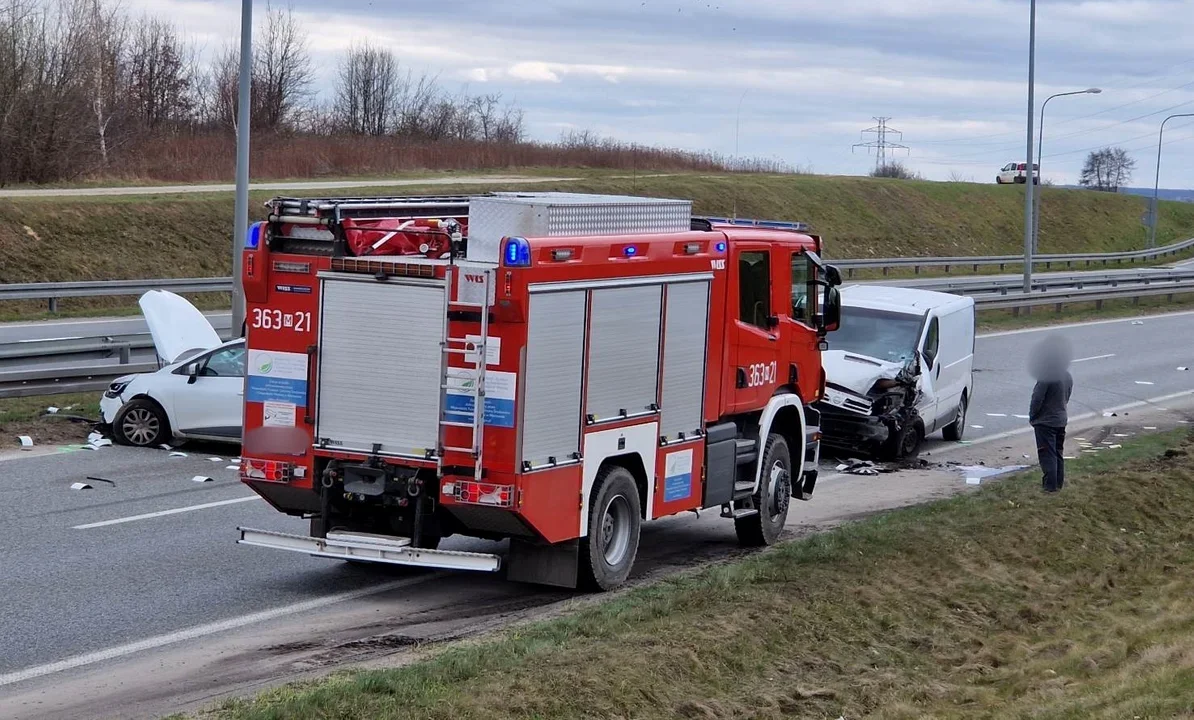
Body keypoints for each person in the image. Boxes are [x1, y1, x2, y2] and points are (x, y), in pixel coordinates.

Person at [1028, 336, 1074, 493]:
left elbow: (1037, 399)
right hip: (1061, 419)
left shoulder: (1046, 376)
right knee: (1058, 453)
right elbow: (1067, 396)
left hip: (1045, 422)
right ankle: (1058, 484)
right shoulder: (1066, 375)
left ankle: (1050, 487)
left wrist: (1033, 416)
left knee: (1047, 455)